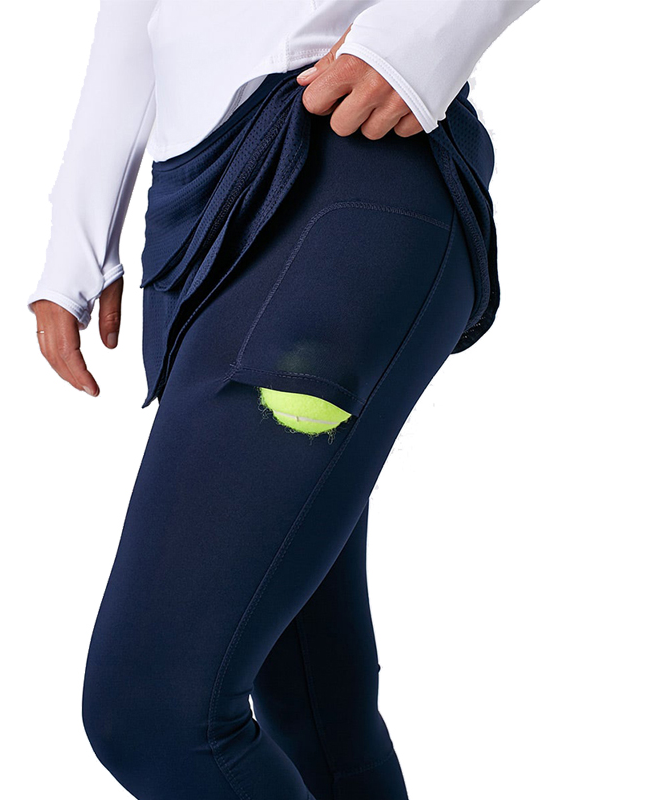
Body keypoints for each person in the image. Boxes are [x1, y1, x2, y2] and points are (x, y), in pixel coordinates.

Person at [27, 2, 540, 797]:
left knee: (156, 712)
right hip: (200, 215)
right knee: (312, 703)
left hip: (346, 160)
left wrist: (421, 35)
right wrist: (77, 240)